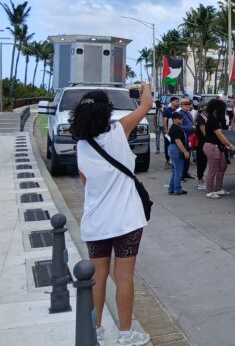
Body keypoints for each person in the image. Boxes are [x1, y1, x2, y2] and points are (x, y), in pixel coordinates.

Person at [70, 84, 153, 346]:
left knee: (97, 277)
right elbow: (146, 104)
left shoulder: (81, 146)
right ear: (107, 112)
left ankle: (95, 329)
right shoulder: (119, 131)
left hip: (96, 221)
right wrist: (145, 86)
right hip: (127, 220)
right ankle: (125, 335)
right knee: (124, 277)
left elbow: (87, 183)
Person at [203, 98, 235, 199]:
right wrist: (230, 145)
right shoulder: (212, 120)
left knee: (222, 167)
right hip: (212, 147)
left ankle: (218, 188)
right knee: (213, 169)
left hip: (218, 147)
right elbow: (220, 135)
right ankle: (209, 191)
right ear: (215, 109)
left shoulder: (215, 118)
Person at [166, 112, 190, 195]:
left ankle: (172, 188)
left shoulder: (174, 127)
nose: (181, 119)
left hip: (173, 148)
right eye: (179, 118)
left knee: (176, 170)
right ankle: (177, 189)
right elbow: (178, 141)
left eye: (181, 118)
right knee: (178, 170)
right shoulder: (176, 128)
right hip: (176, 148)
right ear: (174, 119)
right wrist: (185, 151)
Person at [178, 98, 195, 180]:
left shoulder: (188, 113)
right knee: (183, 156)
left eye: (189, 104)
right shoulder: (180, 114)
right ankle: (181, 175)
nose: (188, 105)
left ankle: (185, 173)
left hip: (190, 137)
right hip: (184, 138)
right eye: (186, 104)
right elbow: (178, 126)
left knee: (188, 156)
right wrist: (191, 127)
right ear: (181, 105)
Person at [162, 96, 179, 169]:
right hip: (169, 132)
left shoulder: (178, 110)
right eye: (176, 101)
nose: (177, 103)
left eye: (178, 101)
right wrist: (167, 132)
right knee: (168, 146)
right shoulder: (167, 110)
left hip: (177, 131)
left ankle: (175, 160)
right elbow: (164, 121)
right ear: (172, 102)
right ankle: (167, 160)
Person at [194, 107, 208, 191]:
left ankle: (201, 179)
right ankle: (200, 180)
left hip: (201, 143)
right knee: (202, 162)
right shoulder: (201, 119)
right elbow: (204, 133)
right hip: (201, 143)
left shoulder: (202, 118)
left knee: (203, 161)